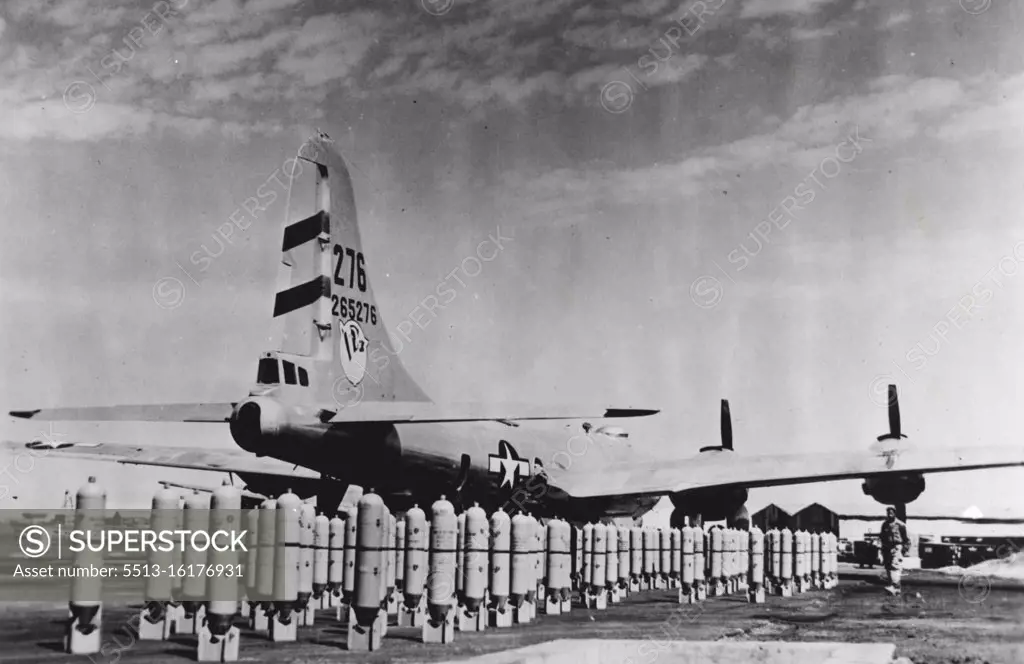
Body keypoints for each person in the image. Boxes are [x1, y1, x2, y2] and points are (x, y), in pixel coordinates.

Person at [879, 507, 910, 595]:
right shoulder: (885, 524)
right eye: (888, 513)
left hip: (896, 546)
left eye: (891, 513)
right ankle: (893, 587)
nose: (889, 514)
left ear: (895, 513)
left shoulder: (900, 525)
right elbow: (882, 536)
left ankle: (895, 586)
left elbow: (906, 539)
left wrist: (904, 550)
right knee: (888, 566)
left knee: (895, 566)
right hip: (887, 547)